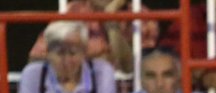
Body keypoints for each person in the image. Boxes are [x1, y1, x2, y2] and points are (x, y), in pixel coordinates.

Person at [28, 0, 160, 74]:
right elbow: (34, 60)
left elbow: (134, 69)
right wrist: (89, 62)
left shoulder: (143, 17)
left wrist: (110, 19)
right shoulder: (73, 10)